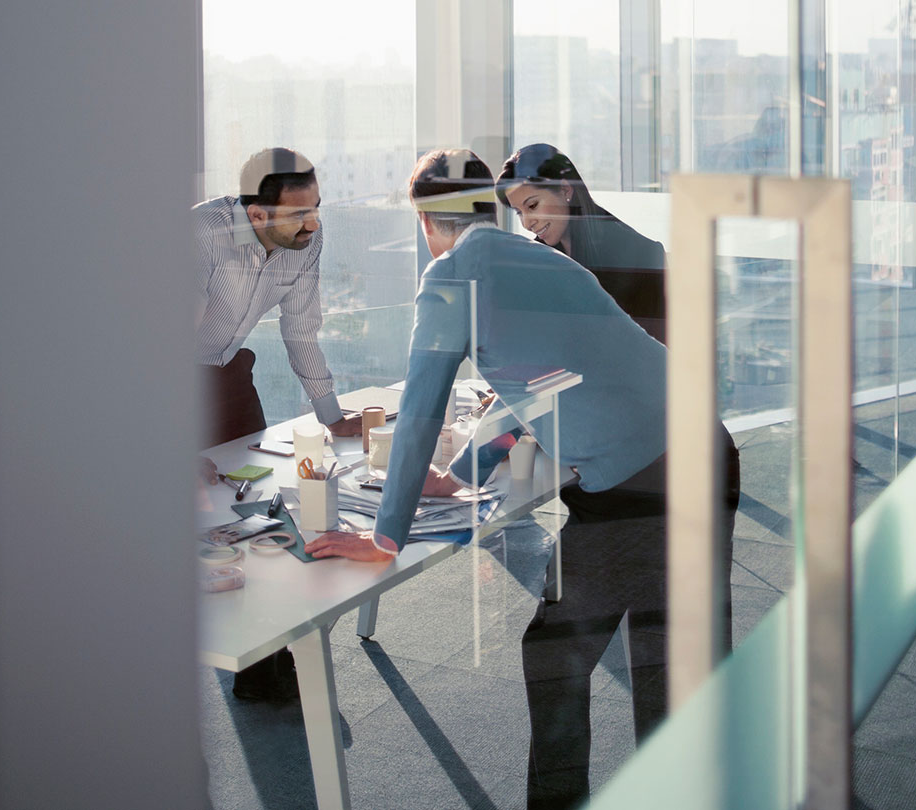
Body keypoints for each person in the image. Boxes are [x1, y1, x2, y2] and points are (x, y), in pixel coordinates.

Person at [304, 149, 740, 809]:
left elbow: (422, 408)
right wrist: (462, 474)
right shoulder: (546, 261)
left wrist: (387, 537)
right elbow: (545, 382)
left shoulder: (451, 276)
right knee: (667, 664)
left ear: (427, 220)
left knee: (557, 656)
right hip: (708, 453)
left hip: (639, 490)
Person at [194, 147, 359, 703]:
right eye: (298, 213)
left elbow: (302, 331)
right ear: (256, 214)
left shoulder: (304, 240)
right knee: (201, 510)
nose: (313, 223)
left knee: (260, 497)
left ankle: (267, 654)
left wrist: (331, 415)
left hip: (226, 371)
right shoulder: (200, 235)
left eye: (317, 208)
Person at [496, 143, 668, 344]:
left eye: (532, 206)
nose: (526, 223)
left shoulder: (640, 254)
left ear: (565, 190)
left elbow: (655, 354)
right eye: (519, 212)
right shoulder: (539, 256)